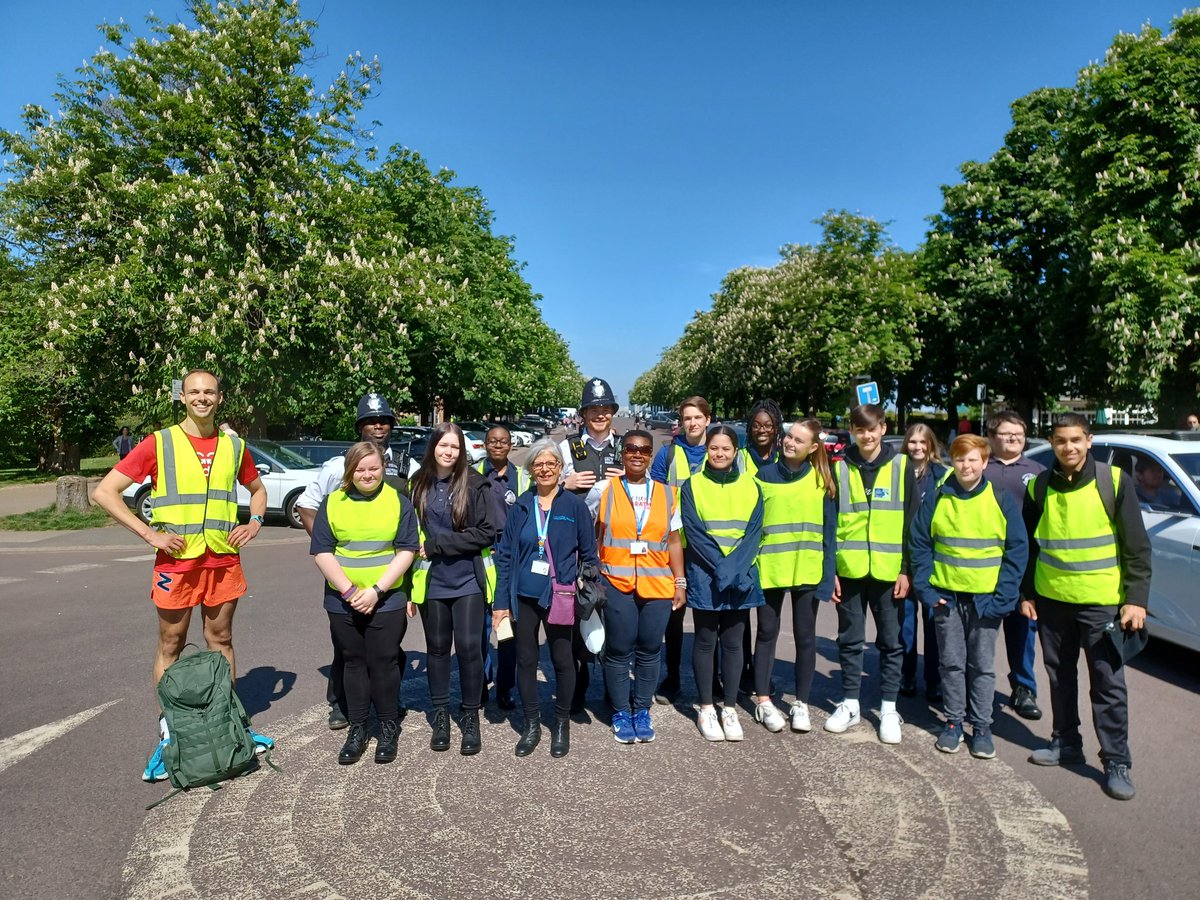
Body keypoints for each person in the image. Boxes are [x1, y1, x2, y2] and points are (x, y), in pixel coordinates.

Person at [92, 368, 272, 781]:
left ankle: (228, 723)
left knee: (221, 640)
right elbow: (104, 491)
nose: (202, 398)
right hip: (177, 561)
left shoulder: (234, 444)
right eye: (194, 392)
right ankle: (172, 732)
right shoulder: (161, 442)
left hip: (223, 558)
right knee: (171, 643)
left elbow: (257, 490)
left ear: (220, 398)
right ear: (183, 397)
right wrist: (148, 534)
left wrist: (256, 521)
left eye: (209, 392)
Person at [1021, 414, 1152, 801]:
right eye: (1061, 441)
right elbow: (1030, 546)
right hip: (1053, 601)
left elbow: (1137, 547)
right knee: (1060, 677)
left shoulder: (1113, 481)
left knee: (1107, 684)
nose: (1069, 447)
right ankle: (1066, 742)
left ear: (1089, 440)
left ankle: (1116, 761)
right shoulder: (1040, 486)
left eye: (1076, 439)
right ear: (1052, 441)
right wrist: (1027, 594)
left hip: (1102, 605)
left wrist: (1136, 599)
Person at [296, 392, 409, 731]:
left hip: (391, 578)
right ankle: (342, 705)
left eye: (384, 420)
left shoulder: (407, 465)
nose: (378, 425)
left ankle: (387, 699)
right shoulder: (337, 466)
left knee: (390, 646)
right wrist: (329, 547)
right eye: (371, 421)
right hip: (345, 579)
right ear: (360, 426)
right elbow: (306, 505)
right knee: (348, 649)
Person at [910, 435, 1029, 759]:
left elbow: (1017, 550)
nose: (966, 465)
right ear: (952, 461)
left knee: (982, 667)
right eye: (960, 459)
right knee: (950, 665)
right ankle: (953, 722)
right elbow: (919, 543)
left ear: (985, 462)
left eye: (973, 459)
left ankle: (981, 727)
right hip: (947, 598)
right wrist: (927, 589)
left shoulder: (1000, 499)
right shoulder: (938, 498)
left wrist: (1004, 598)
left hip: (986, 602)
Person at [309, 442, 418, 765]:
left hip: (386, 599)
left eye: (373, 468)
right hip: (343, 601)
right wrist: (349, 592)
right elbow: (323, 551)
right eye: (360, 469)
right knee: (353, 663)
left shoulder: (399, 502)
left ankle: (387, 728)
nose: (367, 474)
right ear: (349, 472)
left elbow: (407, 550)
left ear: (383, 468)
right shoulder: (333, 503)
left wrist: (375, 591)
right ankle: (357, 729)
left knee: (383, 664)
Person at [493, 439, 598, 758]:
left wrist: (586, 590)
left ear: (560, 468)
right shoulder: (521, 506)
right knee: (526, 660)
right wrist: (500, 603)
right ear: (531, 469)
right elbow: (505, 556)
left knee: (563, 659)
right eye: (539, 464)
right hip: (523, 596)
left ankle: (561, 723)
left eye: (551, 463)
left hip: (561, 596)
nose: (545, 469)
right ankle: (532, 724)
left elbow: (590, 555)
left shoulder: (574, 507)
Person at [826, 404, 917, 744]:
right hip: (848, 571)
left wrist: (906, 570)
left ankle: (889, 708)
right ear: (852, 430)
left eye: (872, 428)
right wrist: (830, 570)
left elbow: (913, 523)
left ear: (883, 428)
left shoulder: (901, 465)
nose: (866, 435)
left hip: (889, 571)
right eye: (859, 429)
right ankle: (850, 703)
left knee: (891, 643)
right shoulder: (838, 467)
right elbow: (830, 522)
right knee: (849, 640)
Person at [409, 423, 498, 756]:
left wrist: (438, 545)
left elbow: (486, 533)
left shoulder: (475, 483)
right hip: (432, 583)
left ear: (463, 452)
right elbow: (408, 538)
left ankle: (470, 717)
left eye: (455, 447)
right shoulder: (417, 484)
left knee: (469, 649)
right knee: (436, 650)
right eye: (443, 445)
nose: (448, 452)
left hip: (468, 581)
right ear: (433, 446)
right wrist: (406, 590)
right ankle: (441, 717)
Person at [594, 429, 686, 744]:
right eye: (631, 448)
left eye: (644, 450)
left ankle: (641, 710)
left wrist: (680, 581)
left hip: (657, 584)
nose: (637, 454)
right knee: (619, 650)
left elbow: (674, 542)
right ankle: (621, 711)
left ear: (650, 456)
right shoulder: (604, 489)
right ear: (622, 453)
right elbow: (593, 534)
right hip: (616, 582)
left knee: (649, 650)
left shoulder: (667, 493)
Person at [751, 419, 837, 734]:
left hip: (807, 570)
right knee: (766, 634)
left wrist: (829, 577)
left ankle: (800, 703)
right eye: (789, 436)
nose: (790, 442)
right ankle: (763, 700)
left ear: (813, 447)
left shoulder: (821, 480)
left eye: (799, 440)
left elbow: (830, 534)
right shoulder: (763, 477)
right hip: (770, 570)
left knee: (805, 638)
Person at [681, 424, 764, 741]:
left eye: (726, 448)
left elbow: (754, 534)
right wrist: (726, 569)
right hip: (707, 576)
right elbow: (695, 533)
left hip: (739, 575)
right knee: (705, 641)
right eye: (714, 448)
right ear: (707, 450)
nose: (719, 453)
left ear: (735, 451)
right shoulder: (692, 486)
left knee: (733, 642)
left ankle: (728, 708)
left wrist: (733, 570)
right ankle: (705, 708)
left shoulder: (752, 486)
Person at [559, 377, 624, 711]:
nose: (599, 414)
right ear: (583, 414)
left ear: (612, 412)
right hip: (576, 547)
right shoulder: (567, 448)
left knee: (615, 618)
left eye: (605, 409)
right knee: (576, 614)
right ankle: (578, 685)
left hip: (617, 547)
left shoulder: (627, 446)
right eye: (593, 409)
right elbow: (544, 486)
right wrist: (564, 482)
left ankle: (613, 691)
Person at [649, 396, 712, 704]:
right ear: (682, 422)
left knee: (712, 614)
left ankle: (713, 679)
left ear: (708, 420)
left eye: (698, 417)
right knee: (674, 614)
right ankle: (672, 676)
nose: (693, 423)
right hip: (677, 545)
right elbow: (656, 496)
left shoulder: (722, 450)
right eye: (687, 418)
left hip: (713, 546)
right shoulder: (669, 454)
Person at [984, 410, 1045, 722]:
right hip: (982, 563)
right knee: (979, 632)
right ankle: (974, 687)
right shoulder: (979, 467)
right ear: (993, 437)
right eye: (1006, 434)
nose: (1013, 439)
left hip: (1023, 563)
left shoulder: (1037, 471)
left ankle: (1023, 688)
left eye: (1018, 435)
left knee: (1023, 629)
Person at [475, 425, 530, 710]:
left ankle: (506, 687)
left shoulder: (521, 477)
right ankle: (483, 681)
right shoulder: (471, 474)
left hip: (510, 556)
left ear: (511, 446)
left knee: (507, 623)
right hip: (479, 554)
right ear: (485, 444)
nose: (498, 445)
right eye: (492, 441)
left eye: (504, 441)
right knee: (481, 625)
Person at [899, 423, 947, 703]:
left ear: (931, 445)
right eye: (913, 442)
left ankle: (933, 680)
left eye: (923, 442)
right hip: (904, 561)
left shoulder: (942, 475)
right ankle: (907, 675)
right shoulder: (898, 472)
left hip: (932, 562)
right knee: (905, 624)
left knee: (933, 624)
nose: (917, 447)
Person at [738, 398, 782, 473]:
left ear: (776, 429)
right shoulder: (739, 458)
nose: (761, 430)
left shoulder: (783, 459)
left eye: (768, 425)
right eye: (756, 426)